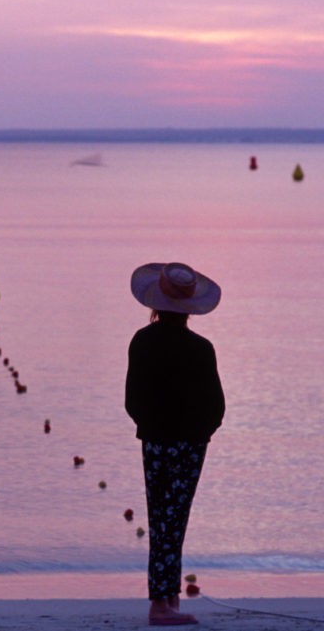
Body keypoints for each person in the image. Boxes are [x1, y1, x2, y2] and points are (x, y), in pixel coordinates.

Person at [125, 262, 225, 626]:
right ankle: (161, 604)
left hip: (155, 442)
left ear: (156, 304)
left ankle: (166, 598)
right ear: (189, 309)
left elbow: (132, 399)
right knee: (175, 520)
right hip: (188, 445)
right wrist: (202, 435)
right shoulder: (201, 348)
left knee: (160, 520)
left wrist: (149, 428)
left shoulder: (142, 340)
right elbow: (216, 406)